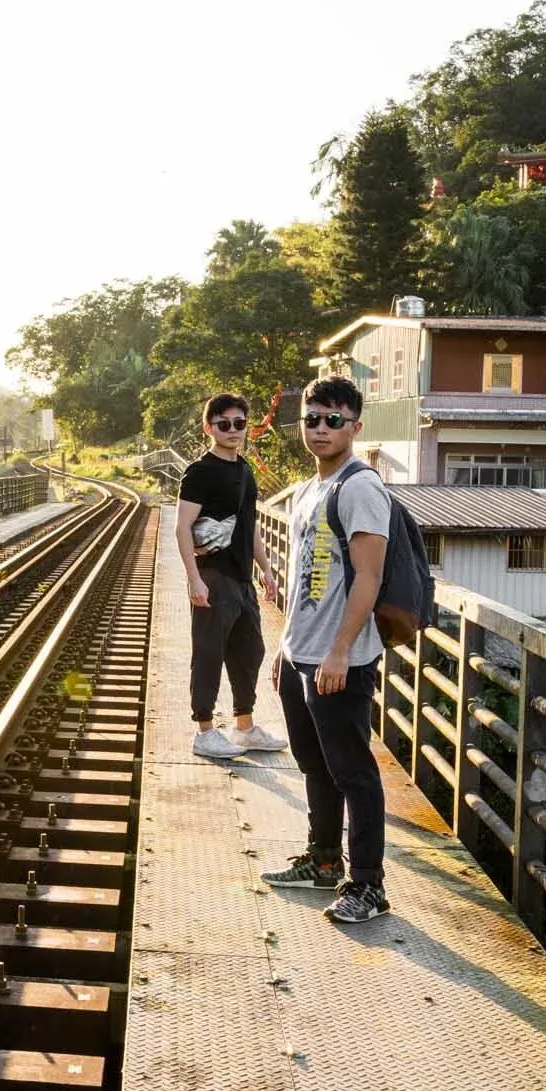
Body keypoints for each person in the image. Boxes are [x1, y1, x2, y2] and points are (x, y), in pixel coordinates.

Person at [258, 375, 392, 924]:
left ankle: (369, 885)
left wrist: (339, 651)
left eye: (333, 420)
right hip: (302, 653)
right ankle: (322, 860)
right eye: (311, 419)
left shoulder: (360, 488)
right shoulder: (309, 488)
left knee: (353, 773)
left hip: (340, 659)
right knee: (315, 764)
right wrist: (285, 646)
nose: (320, 429)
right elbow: (302, 579)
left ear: (355, 427)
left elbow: (369, 577)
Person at [176, 393, 283, 761]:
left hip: (241, 577)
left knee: (249, 651)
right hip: (213, 576)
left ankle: (245, 727)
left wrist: (266, 569)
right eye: (224, 424)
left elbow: (250, 525)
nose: (233, 430)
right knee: (208, 653)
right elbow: (182, 526)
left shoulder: (244, 470)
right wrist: (194, 579)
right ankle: (204, 732)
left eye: (239, 423)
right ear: (210, 428)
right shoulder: (200, 471)